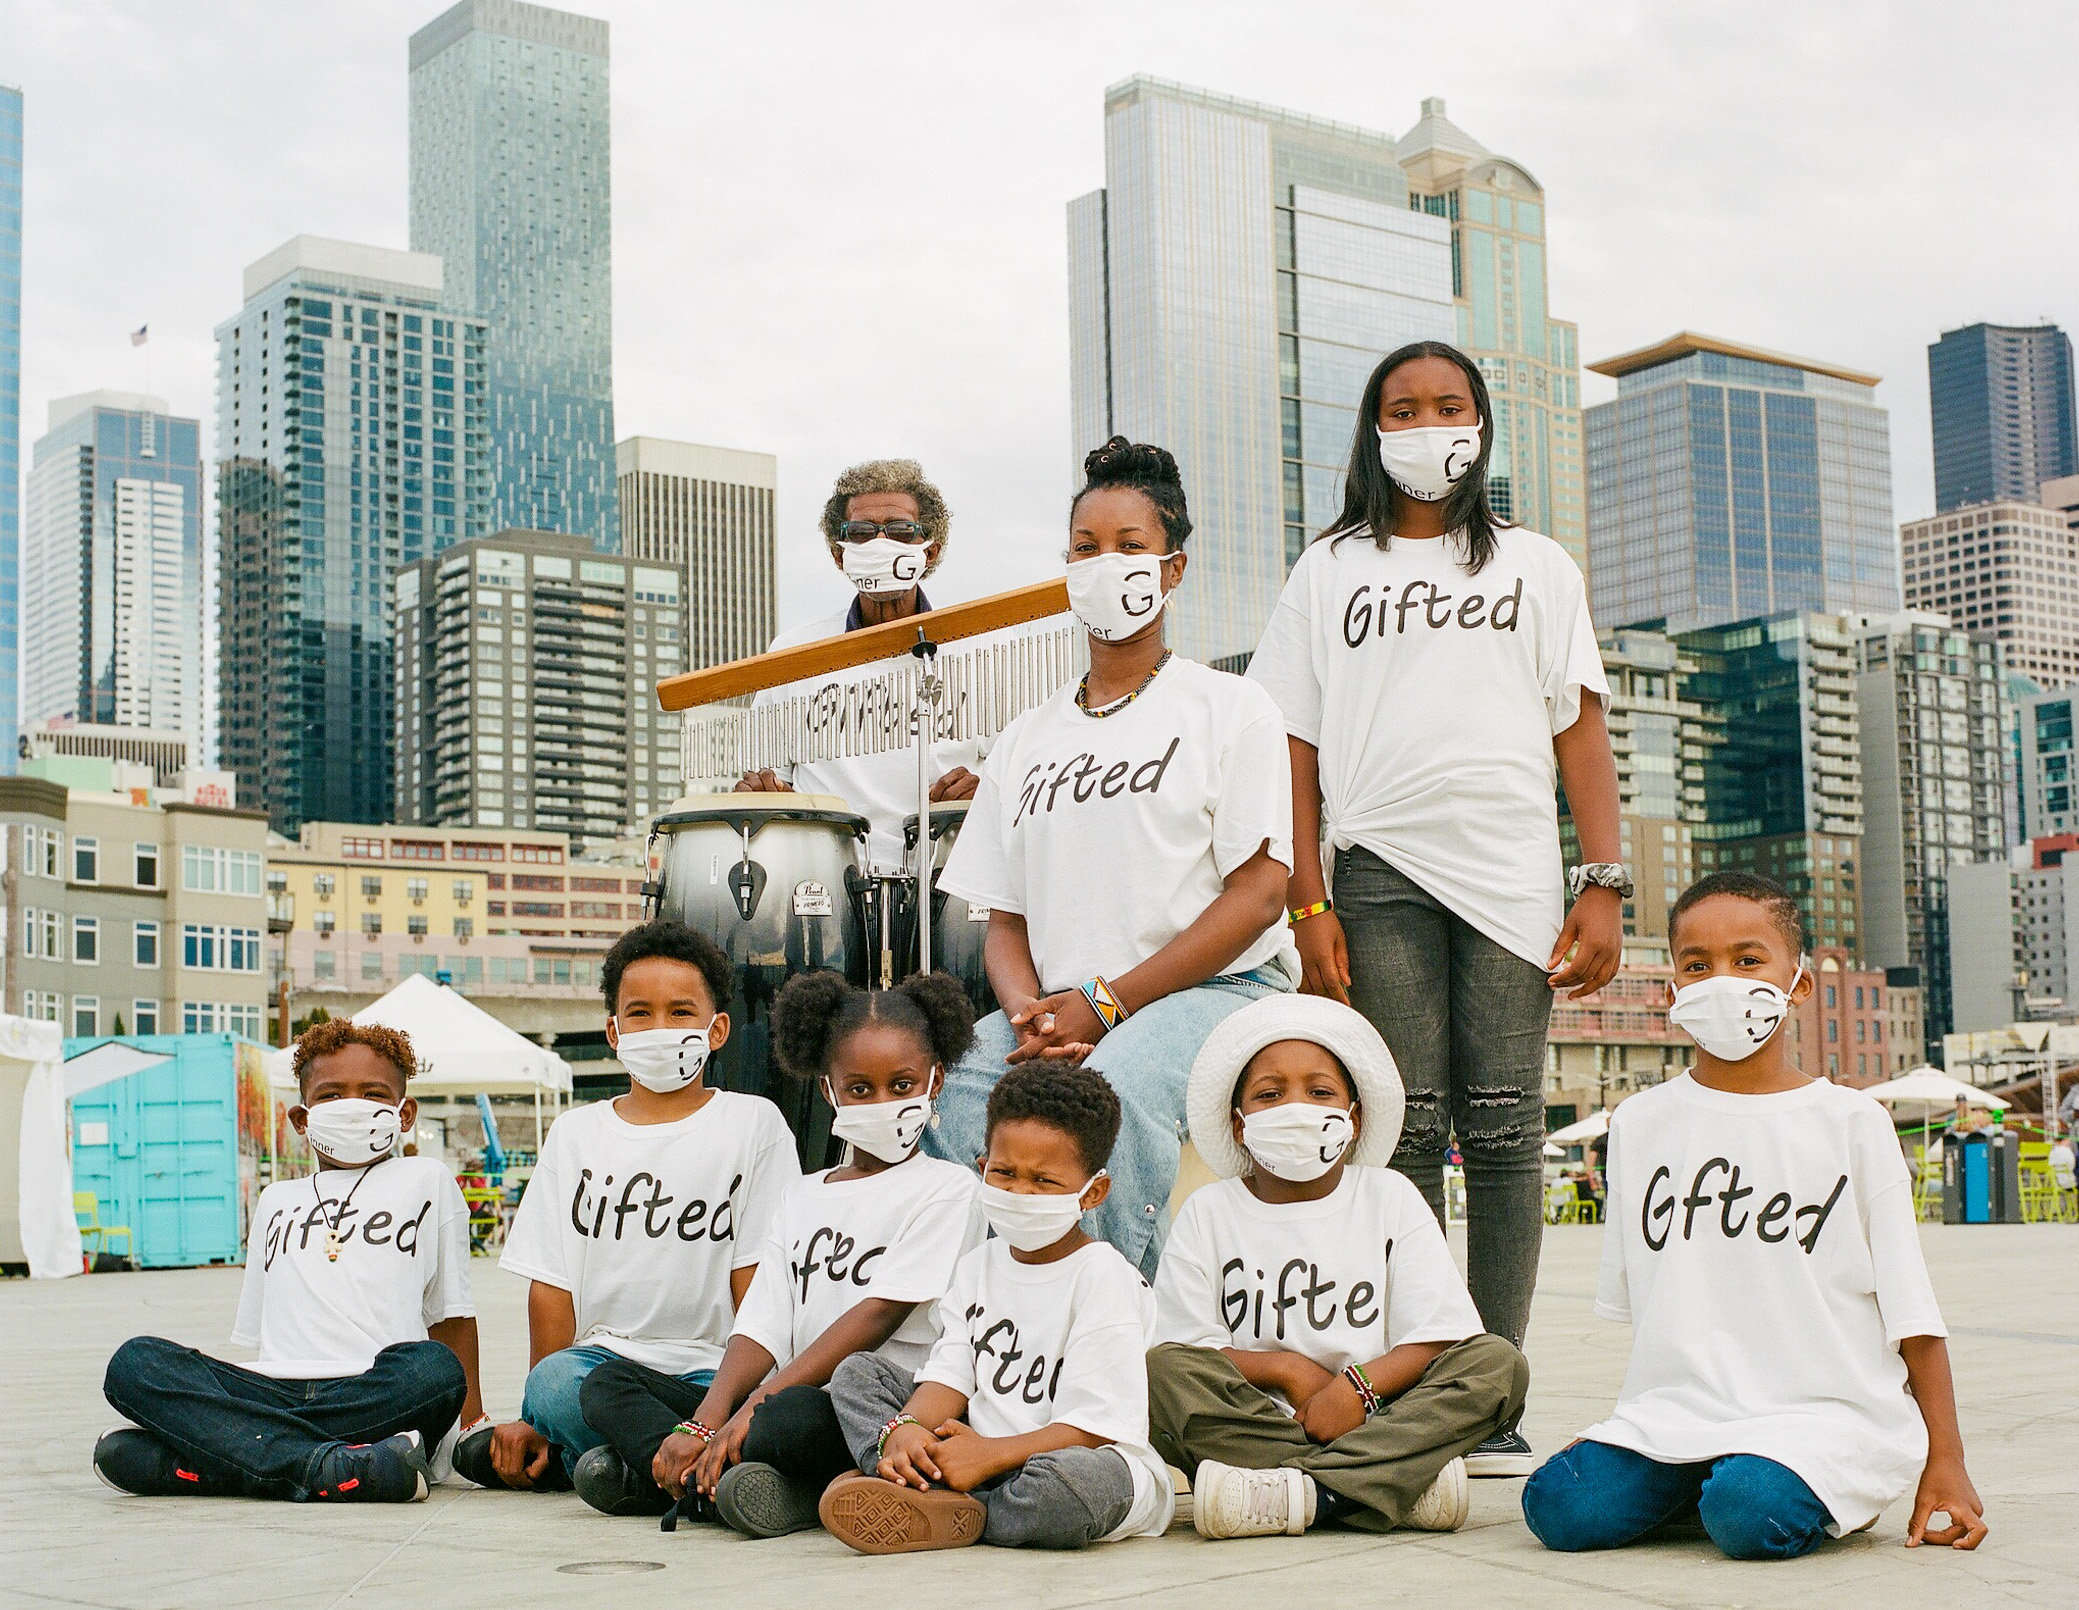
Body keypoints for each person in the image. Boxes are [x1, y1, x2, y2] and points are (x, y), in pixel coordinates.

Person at [1245, 339, 1621, 1477]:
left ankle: (1493, 1393)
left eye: (1448, 406)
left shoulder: (1537, 565)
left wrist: (1602, 881)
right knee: (1402, 1130)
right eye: (1402, 409)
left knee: (1505, 1128)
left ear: (1481, 425)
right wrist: (1306, 896)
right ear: (1371, 430)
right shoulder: (1328, 571)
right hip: (1374, 873)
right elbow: (1289, 748)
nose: (1426, 426)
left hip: (1510, 872)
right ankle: (1419, 1387)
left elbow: (1580, 724)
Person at [1521, 873, 1988, 1560]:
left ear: (1796, 983)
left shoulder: (1851, 1122)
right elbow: (1658, 1312)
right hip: (1680, 1414)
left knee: (1747, 1515)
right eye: (1696, 965)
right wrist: (1629, 1430)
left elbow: (1912, 1312)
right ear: (1673, 990)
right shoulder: (1639, 1124)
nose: (1721, 981)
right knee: (1556, 1507)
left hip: (1824, 1416)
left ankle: (1811, 1484)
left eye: (1746, 960)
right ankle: (1695, 1479)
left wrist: (1944, 1459)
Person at [928, 437, 1297, 1277]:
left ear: (1172, 568)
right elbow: (1005, 919)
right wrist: (1029, 1015)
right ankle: (986, 1327)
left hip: (1214, 989)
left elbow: (1259, 893)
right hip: (1062, 1007)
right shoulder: (1022, 741)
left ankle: (1105, 1325)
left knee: (1111, 1095)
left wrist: (1107, 1002)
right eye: (1085, 550)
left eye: (1130, 547)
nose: (1106, 567)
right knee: (952, 1091)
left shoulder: (1230, 708)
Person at [578, 969, 986, 1534]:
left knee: (781, 1422)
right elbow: (763, 1322)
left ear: (935, 1082)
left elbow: (878, 1315)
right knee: (605, 1383)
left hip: (872, 1406)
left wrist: (754, 1407)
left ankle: (681, 1483)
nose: (883, 1102)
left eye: (903, 1084)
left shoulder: (948, 1187)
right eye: (860, 1089)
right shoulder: (801, 1195)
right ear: (828, 1090)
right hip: (783, 1394)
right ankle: (722, 1482)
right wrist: (707, 1419)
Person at [1148, 994, 1528, 1539]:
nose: (1294, 1108)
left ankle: (1297, 1494)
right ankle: (1391, 1483)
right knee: (1160, 1374)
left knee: (1498, 1364)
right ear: (1238, 1126)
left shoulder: (1387, 1196)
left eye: (1319, 1091)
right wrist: (1287, 1369)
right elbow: (1185, 1350)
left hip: (1382, 1415)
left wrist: (1357, 1390)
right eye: (1270, 1094)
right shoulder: (1210, 1210)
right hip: (1255, 1422)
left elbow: (1440, 1337)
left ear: (1353, 1118)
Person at [454, 920, 798, 1494]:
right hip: (599, 1371)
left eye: (681, 1012)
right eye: (640, 1013)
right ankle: (701, 1475)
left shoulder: (753, 1123)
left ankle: (621, 1469)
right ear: (613, 1031)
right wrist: (538, 1405)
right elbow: (551, 1287)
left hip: (709, 1376)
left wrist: (737, 1396)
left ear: (717, 1031)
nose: (660, 1028)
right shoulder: (574, 1134)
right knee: (556, 1384)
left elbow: (757, 1281)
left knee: (767, 1406)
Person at [96, 1020, 480, 1503]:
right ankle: (326, 1466)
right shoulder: (276, 1198)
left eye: (374, 1093)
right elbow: (264, 1340)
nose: (353, 1107)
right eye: (332, 1095)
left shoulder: (428, 1179)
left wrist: (470, 1432)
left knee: (435, 1370)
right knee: (135, 1363)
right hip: (273, 1389)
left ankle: (221, 1463)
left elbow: (453, 1316)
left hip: (374, 1391)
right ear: (302, 1119)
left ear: (405, 1115)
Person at [819, 1063, 1174, 1553]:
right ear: (983, 1167)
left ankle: (947, 1506)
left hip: (1072, 1460)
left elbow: (1095, 1428)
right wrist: (906, 1428)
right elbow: (950, 1375)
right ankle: (914, 1475)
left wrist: (989, 1456)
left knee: (1064, 1492)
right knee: (858, 1374)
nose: (1019, 1192)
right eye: (1004, 1173)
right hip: (974, 1450)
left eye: (1043, 1181)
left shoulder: (1103, 1276)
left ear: (1092, 1192)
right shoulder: (976, 1266)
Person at [736, 458, 982, 870]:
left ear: (931, 550)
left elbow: (1023, 784)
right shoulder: (793, 655)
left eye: (901, 531)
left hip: (950, 885)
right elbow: (761, 789)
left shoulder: (981, 648)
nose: (880, 544)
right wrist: (762, 796)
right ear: (839, 554)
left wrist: (985, 789)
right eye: (862, 533)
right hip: (823, 893)